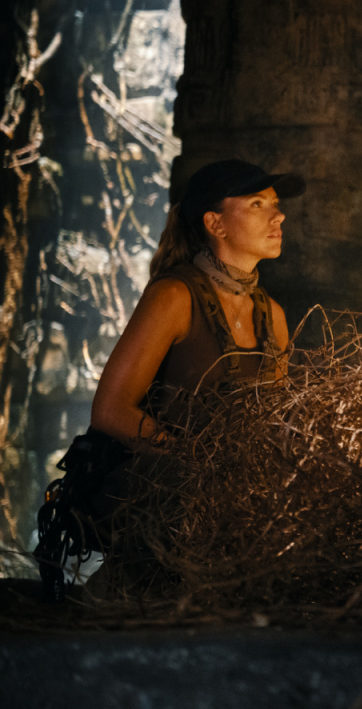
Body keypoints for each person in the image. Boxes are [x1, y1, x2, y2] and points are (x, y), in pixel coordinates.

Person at [34, 159, 305, 600]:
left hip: (235, 519)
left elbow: (269, 426)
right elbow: (110, 411)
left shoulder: (272, 316)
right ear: (215, 223)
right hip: (161, 510)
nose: (278, 216)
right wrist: (195, 464)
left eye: (275, 205)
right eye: (258, 204)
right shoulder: (174, 296)